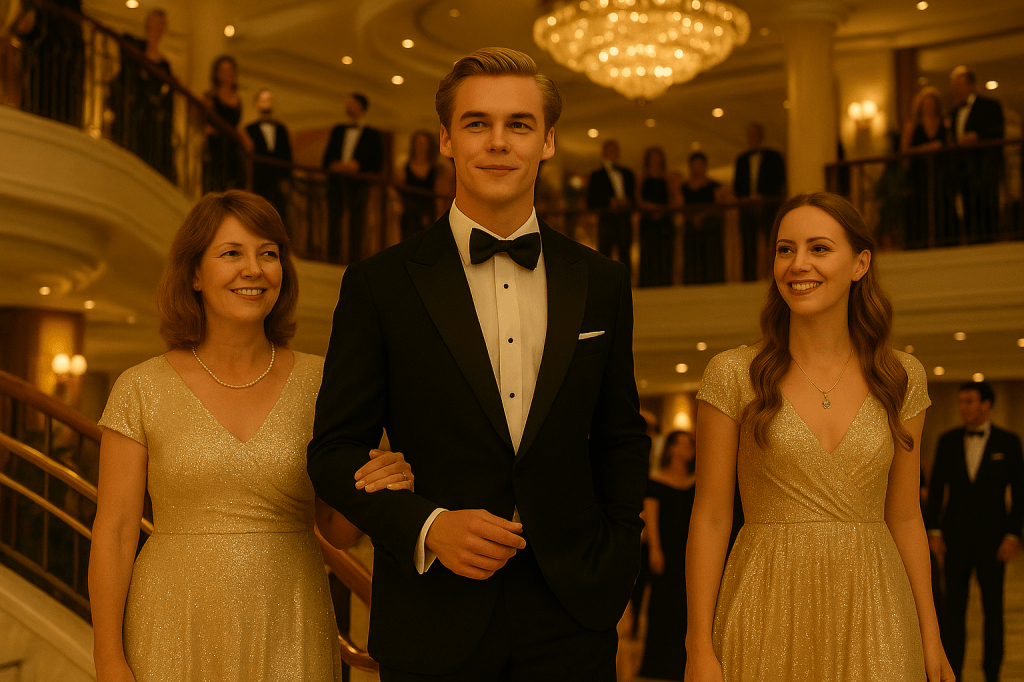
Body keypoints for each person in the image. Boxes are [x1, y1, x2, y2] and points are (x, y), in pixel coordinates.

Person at [307, 47, 650, 681]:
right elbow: (333, 450)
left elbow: (620, 437)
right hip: (434, 613)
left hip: (574, 614)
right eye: (476, 123)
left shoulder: (600, 281)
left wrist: (617, 556)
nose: (498, 142)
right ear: (446, 139)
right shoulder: (380, 284)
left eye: (519, 124)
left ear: (547, 141)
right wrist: (428, 526)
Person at [88, 190, 415, 682]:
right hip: (170, 622)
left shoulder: (323, 382)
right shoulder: (141, 387)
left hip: (291, 620)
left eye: (268, 253)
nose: (254, 269)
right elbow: (114, 532)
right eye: (231, 253)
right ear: (194, 274)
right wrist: (108, 658)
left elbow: (338, 530)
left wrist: (379, 482)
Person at [685, 192, 953, 681]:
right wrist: (698, 645)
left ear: (860, 264)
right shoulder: (734, 374)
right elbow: (711, 517)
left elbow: (906, 517)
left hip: (878, 609)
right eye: (785, 249)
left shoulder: (901, 377)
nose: (797, 264)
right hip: (764, 605)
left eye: (819, 248)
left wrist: (930, 636)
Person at [925, 381, 1024, 682]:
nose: (963, 407)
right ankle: (952, 671)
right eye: (961, 401)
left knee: (993, 610)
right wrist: (934, 530)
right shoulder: (948, 441)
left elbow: (1020, 492)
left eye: (969, 401)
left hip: (993, 541)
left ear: (986, 405)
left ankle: (992, 673)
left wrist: (1013, 535)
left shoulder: (1008, 442)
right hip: (954, 539)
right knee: (953, 610)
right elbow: (936, 488)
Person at [639, 430, 697, 681]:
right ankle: (658, 665)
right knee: (662, 605)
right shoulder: (657, 480)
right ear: (670, 448)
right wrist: (655, 549)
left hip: (690, 552)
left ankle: (684, 664)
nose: (683, 450)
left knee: (688, 606)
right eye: (679, 444)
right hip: (666, 550)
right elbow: (651, 519)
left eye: (688, 445)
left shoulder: (695, 482)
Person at [109, 8, 175, 181]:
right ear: (147, 24)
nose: (157, 27)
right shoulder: (134, 49)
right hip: (133, 121)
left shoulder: (165, 66)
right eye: (154, 23)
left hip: (153, 128)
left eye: (161, 24)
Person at [322, 93, 384, 263]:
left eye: (353, 103)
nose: (349, 106)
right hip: (336, 182)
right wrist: (336, 165)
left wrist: (359, 167)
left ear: (362, 108)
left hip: (359, 184)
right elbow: (326, 158)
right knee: (334, 218)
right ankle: (332, 256)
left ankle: (354, 259)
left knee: (357, 221)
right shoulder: (338, 130)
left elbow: (377, 162)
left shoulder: (372, 134)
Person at [949, 65, 1005, 243]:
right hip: (964, 171)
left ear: (972, 85)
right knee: (969, 212)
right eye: (956, 86)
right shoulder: (954, 112)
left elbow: (998, 130)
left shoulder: (990, 105)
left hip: (985, 167)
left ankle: (992, 241)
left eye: (962, 85)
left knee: (988, 210)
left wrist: (978, 137)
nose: (958, 90)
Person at [900, 87, 953, 248]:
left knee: (942, 204)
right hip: (919, 175)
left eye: (932, 103)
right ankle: (920, 241)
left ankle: (943, 240)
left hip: (940, 173)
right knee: (920, 207)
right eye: (926, 103)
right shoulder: (912, 126)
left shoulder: (945, 124)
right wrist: (928, 148)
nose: (929, 106)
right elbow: (904, 152)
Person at [733, 123, 785, 281]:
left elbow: (779, 180)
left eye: (755, 134)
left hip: (768, 206)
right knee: (748, 243)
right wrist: (745, 198)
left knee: (773, 240)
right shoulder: (741, 159)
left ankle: (775, 275)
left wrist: (764, 196)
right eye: (750, 135)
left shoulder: (774, 157)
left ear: (761, 136)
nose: (752, 138)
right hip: (747, 207)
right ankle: (749, 277)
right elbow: (737, 185)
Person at [587, 139, 636, 275]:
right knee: (605, 255)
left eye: (615, 150)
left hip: (624, 219)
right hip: (606, 221)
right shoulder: (596, 176)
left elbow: (633, 197)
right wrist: (609, 203)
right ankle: (605, 283)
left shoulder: (627, 174)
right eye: (610, 151)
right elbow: (591, 201)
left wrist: (627, 202)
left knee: (625, 254)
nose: (613, 153)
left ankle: (626, 282)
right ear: (604, 153)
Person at [203, 55, 249, 193]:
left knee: (235, 183)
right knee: (216, 184)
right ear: (216, 73)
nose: (226, 74)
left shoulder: (237, 98)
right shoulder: (211, 97)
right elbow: (204, 121)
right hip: (216, 147)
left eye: (229, 70)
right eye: (223, 70)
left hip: (233, 148)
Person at [246, 88, 293, 223]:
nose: (266, 102)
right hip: (258, 179)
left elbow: (287, 156)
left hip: (278, 179)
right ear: (257, 103)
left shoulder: (281, 129)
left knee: (280, 214)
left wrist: (286, 179)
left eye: (268, 99)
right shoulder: (250, 129)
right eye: (263, 100)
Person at [681, 152, 724, 284]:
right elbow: (680, 206)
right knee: (693, 259)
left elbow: (719, 206)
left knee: (711, 259)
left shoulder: (715, 186)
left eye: (700, 165)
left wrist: (703, 216)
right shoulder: (684, 188)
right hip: (692, 230)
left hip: (710, 229)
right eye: (695, 165)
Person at [637, 146, 674, 287]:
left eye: (658, 159)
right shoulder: (642, 177)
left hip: (663, 222)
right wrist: (650, 208)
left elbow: (671, 198)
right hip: (648, 221)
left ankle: (664, 283)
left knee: (664, 254)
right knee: (648, 254)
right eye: (653, 159)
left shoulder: (667, 178)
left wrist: (662, 210)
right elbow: (638, 198)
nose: (655, 161)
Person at [400, 129, 439, 240]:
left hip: (428, 213)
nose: (420, 146)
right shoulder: (405, 167)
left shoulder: (436, 170)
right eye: (418, 142)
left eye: (423, 143)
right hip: (409, 214)